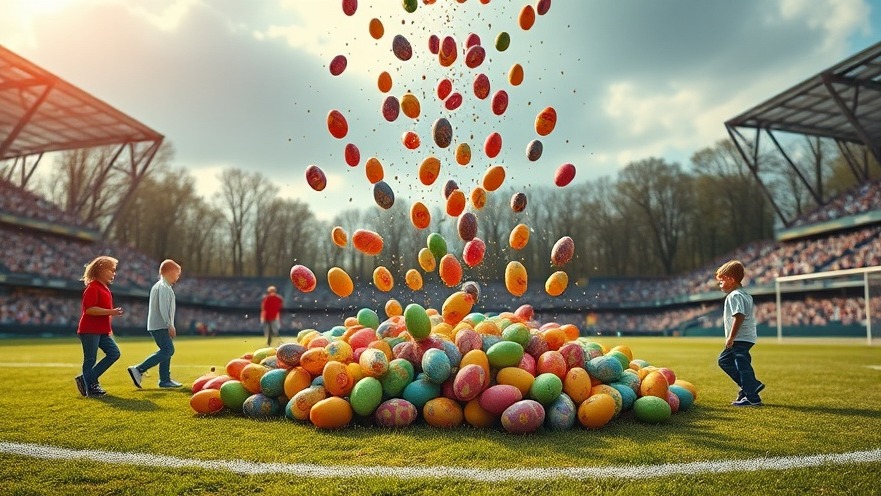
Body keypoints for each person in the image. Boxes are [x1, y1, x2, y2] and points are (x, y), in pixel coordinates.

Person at [715, 260, 765, 406]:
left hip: (739, 338)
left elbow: (739, 316)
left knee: (725, 361)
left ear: (730, 279)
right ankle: (747, 388)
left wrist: (731, 337)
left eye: (721, 281)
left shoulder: (735, 296)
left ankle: (752, 393)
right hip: (747, 337)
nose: (720, 285)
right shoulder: (745, 295)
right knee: (741, 363)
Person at [127, 259, 183, 389]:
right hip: (160, 325)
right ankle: (138, 369)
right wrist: (169, 324)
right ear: (171, 271)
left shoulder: (163, 286)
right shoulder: (163, 287)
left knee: (165, 350)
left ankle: (165, 380)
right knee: (168, 350)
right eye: (177, 273)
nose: (178, 277)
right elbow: (164, 308)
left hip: (158, 325)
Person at [75, 255, 124, 397]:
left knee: (114, 353)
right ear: (101, 270)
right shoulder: (92, 288)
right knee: (90, 359)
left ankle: (86, 380)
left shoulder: (105, 288)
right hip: (89, 330)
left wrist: (109, 330)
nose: (114, 274)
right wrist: (111, 312)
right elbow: (89, 309)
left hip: (102, 331)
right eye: (112, 270)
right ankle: (91, 385)